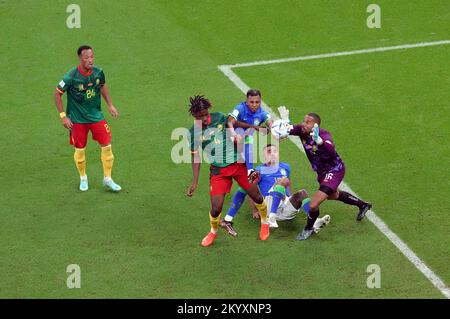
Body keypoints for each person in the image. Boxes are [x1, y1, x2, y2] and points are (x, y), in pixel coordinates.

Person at [185, 95, 270, 247]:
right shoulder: (193, 133)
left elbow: (235, 123)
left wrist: (257, 128)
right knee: (216, 208)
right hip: (218, 171)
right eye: (200, 116)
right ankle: (212, 231)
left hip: (238, 165)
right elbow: (196, 157)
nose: (204, 119)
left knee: (257, 196)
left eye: (206, 114)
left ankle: (265, 222)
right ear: (194, 116)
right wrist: (195, 182)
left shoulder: (219, 117)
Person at [289, 113, 372, 240]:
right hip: (322, 172)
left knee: (313, 204)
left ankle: (308, 228)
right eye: (304, 121)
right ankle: (363, 205)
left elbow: (331, 149)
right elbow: (285, 130)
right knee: (333, 195)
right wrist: (284, 123)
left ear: (315, 125)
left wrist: (320, 141)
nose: (303, 124)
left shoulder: (324, 134)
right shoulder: (302, 130)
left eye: (307, 122)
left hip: (334, 170)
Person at [220, 144, 330, 238]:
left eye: (275, 151)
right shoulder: (259, 170)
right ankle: (271, 217)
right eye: (269, 152)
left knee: (302, 193)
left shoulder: (285, 167)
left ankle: (314, 223)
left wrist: (290, 197)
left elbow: (289, 182)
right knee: (282, 181)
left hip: (284, 209)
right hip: (268, 205)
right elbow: (250, 191)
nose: (272, 154)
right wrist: (254, 210)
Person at [54, 45, 121, 192]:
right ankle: (83, 178)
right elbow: (57, 93)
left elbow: (102, 86)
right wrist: (63, 116)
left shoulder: (98, 72)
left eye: (92, 57)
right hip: (77, 120)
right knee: (80, 150)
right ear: (80, 59)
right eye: (87, 58)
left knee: (107, 145)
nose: (90, 60)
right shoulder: (71, 76)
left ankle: (108, 179)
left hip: (96, 116)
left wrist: (110, 105)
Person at [223, 89, 273, 226]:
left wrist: (276, 129)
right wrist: (234, 134)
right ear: (247, 101)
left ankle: (229, 218)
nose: (254, 104)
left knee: (248, 179)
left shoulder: (262, 113)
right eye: (251, 102)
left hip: (245, 144)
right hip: (229, 141)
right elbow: (230, 122)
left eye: (257, 102)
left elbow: (270, 123)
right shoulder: (240, 108)